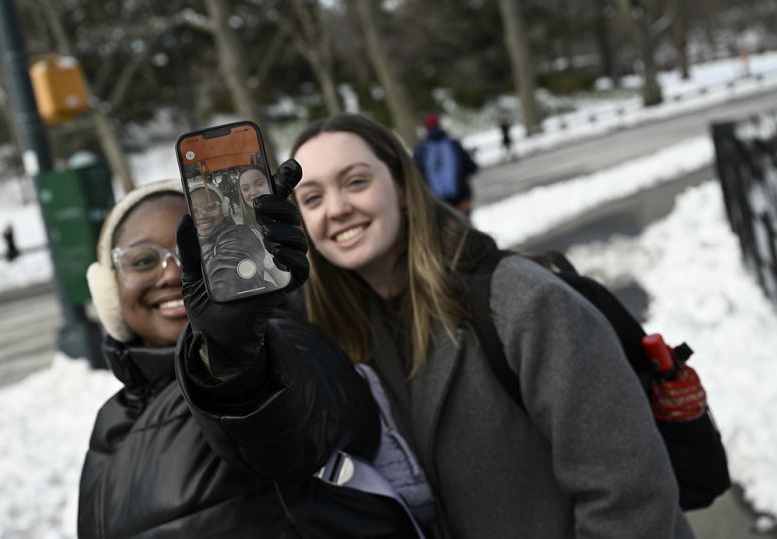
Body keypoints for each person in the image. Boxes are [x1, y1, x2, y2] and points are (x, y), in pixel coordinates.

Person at [290, 113, 695, 539]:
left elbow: (630, 494)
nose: (336, 209)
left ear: (404, 189)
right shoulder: (337, 337)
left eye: (356, 182)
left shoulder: (523, 303)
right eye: (312, 199)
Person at [79, 172, 426, 537]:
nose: (173, 274)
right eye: (143, 260)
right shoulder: (110, 423)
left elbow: (301, 424)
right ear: (108, 288)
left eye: (195, 252)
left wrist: (232, 350)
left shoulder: (283, 341)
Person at [189, 182, 284, 298]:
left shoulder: (238, 235)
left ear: (224, 209)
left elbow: (232, 273)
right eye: (194, 210)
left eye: (209, 207)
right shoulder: (190, 250)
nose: (201, 215)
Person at [412, 113, 478, 215]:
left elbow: (416, 177)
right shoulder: (453, 145)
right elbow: (471, 168)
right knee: (465, 228)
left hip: (438, 204)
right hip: (457, 199)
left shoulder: (420, 151)